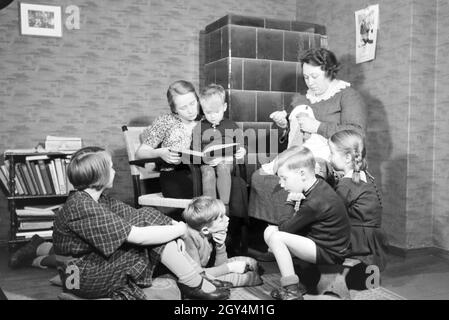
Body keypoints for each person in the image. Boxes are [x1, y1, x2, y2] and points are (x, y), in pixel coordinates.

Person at [51, 146, 230, 300]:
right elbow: (138, 235)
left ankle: (197, 276)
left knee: (146, 216)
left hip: (86, 268)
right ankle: (194, 283)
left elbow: (140, 214)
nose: (115, 172)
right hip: (79, 279)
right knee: (150, 238)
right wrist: (181, 229)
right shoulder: (81, 206)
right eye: (111, 167)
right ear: (100, 174)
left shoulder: (99, 199)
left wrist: (176, 229)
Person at [249, 47, 367, 251]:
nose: (310, 82)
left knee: (306, 173)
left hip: (331, 157)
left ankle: (298, 237)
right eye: (305, 77)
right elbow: (293, 138)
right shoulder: (300, 99)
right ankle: (277, 234)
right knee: (260, 177)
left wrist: (318, 126)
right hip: (301, 153)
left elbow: (357, 133)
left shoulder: (348, 96)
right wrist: (284, 126)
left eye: (314, 76)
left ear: (329, 71)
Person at [264, 147, 351, 300]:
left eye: (284, 178)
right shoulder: (317, 184)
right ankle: (299, 280)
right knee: (269, 231)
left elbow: (285, 228)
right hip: (322, 241)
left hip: (330, 252)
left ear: (302, 174)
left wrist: (290, 201)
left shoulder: (315, 202)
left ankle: (292, 291)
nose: (281, 184)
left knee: (276, 237)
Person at [328, 129, 388, 271]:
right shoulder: (365, 176)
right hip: (372, 240)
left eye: (332, 153)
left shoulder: (347, 183)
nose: (329, 157)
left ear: (348, 157)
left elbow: (331, 212)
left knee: (314, 231)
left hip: (358, 241)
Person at [135, 80, 200, 199]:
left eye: (192, 103)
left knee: (236, 185)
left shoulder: (207, 119)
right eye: (183, 108)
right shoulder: (165, 121)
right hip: (175, 175)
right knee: (205, 190)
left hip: (202, 173)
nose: (190, 111)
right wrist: (160, 152)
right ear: (174, 109)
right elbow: (140, 152)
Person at [182, 196, 263, 288]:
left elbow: (220, 264)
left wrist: (220, 245)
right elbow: (198, 274)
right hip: (195, 277)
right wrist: (231, 268)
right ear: (205, 230)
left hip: (208, 269)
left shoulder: (210, 231)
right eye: (221, 218)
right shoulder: (190, 237)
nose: (227, 219)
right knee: (248, 278)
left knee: (252, 263)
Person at [193, 84, 246, 212]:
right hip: (207, 163)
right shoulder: (199, 127)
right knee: (208, 172)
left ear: (224, 107)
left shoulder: (231, 125)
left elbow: (240, 144)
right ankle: (210, 207)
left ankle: (224, 206)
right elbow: (195, 151)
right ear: (202, 110)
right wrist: (204, 159)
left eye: (217, 112)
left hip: (226, 162)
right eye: (208, 112)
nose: (212, 116)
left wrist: (242, 151)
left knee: (222, 167)